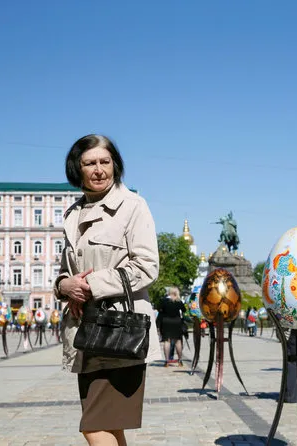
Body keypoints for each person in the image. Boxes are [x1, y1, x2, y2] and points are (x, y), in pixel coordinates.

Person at [55, 134, 161, 446]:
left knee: (93, 425)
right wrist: (65, 286)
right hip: (86, 335)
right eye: (90, 163)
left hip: (118, 331)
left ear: (115, 165)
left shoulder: (132, 206)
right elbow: (66, 269)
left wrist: (91, 287)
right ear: (78, 168)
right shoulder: (73, 214)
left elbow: (146, 266)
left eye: (105, 161)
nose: (99, 169)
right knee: (111, 425)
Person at [156, 287, 186, 367]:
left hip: (166, 322)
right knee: (178, 341)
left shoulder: (164, 300)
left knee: (167, 341)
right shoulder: (178, 301)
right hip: (176, 322)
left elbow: (158, 308)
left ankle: (167, 361)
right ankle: (180, 360)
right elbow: (184, 310)